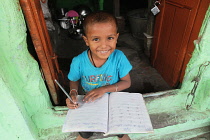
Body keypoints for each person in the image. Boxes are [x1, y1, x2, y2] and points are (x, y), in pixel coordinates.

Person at [66, 11, 132, 140]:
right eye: (96, 39)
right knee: (84, 132)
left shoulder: (119, 57)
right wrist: (73, 93)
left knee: (122, 130)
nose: (104, 45)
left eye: (110, 38)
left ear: (116, 37)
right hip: (91, 102)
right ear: (86, 40)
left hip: (115, 100)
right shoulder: (78, 61)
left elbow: (127, 82)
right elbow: (73, 80)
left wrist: (104, 89)